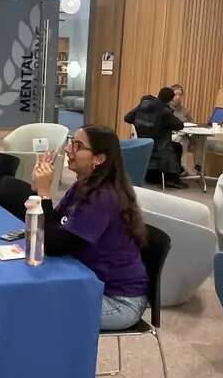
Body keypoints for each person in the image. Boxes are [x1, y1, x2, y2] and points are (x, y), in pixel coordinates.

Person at [31, 126, 149, 330]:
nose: (68, 149)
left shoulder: (103, 196)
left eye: (78, 146)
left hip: (118, 301)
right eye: (71, 142)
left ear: (98, 159)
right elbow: (53, 226)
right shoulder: (82, 186)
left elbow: (53, 245)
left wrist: (44, 193)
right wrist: (38, 189)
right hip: (90, 284)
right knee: (32, 297)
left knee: (37, 310)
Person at [124, 87, 186, 188]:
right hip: (159, 147)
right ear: (170, 100)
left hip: (143, 144)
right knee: (177, 147)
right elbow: (179, 125)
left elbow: (127, 118)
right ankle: (172, 179)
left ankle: (153, 175)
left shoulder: (143, 106)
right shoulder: (164, 111)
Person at [169, 84, 201, 176]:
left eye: (180, 95)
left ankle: (199, 165)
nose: (178, 97)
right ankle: (181, 167)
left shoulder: (185, 110)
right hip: (173, 134)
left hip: (186, 133)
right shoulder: (167, 109)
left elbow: (193, 124)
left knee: (200, 138)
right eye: (175, 94)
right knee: (183, 140)